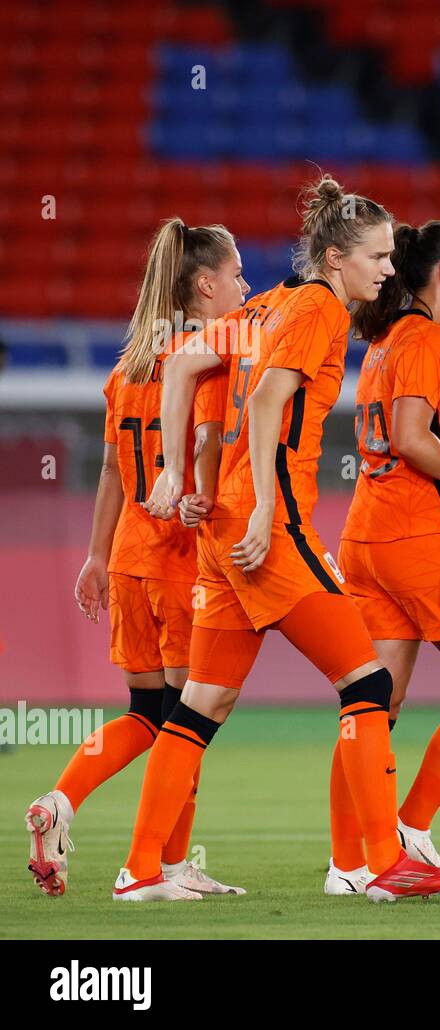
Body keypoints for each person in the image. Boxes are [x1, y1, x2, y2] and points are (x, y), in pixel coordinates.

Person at [123, 175, 440, 902]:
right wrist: (260, 514)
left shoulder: (269, 304)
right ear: (338, 258)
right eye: (378, 257)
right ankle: (377, 863)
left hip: (223, 528)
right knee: (367, 683)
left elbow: (184, 362)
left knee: (200, 706)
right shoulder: (314, 308)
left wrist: (176, 471)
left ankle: (142, 872)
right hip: (268, 527)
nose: (388, 269)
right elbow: (269, 402)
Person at [26, 218, 246, 898]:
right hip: (181, 560)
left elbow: (114, 474)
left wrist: (95, 556)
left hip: (126, 559)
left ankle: (62, 802)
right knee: (191, 717)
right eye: (238, 276)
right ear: (205, 286)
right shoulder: (208, 358)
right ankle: (164, 865)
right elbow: (204, 452)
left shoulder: (128, 367)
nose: (247, 288)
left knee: (149, 711)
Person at [325, 219, 440, 895]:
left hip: (367, 537)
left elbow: (413, 434)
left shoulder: (385, 338)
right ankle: (409, 827)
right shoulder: (429, 336)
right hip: (421, 538)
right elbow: (410, 438)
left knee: (375, 703)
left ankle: (350, 863)